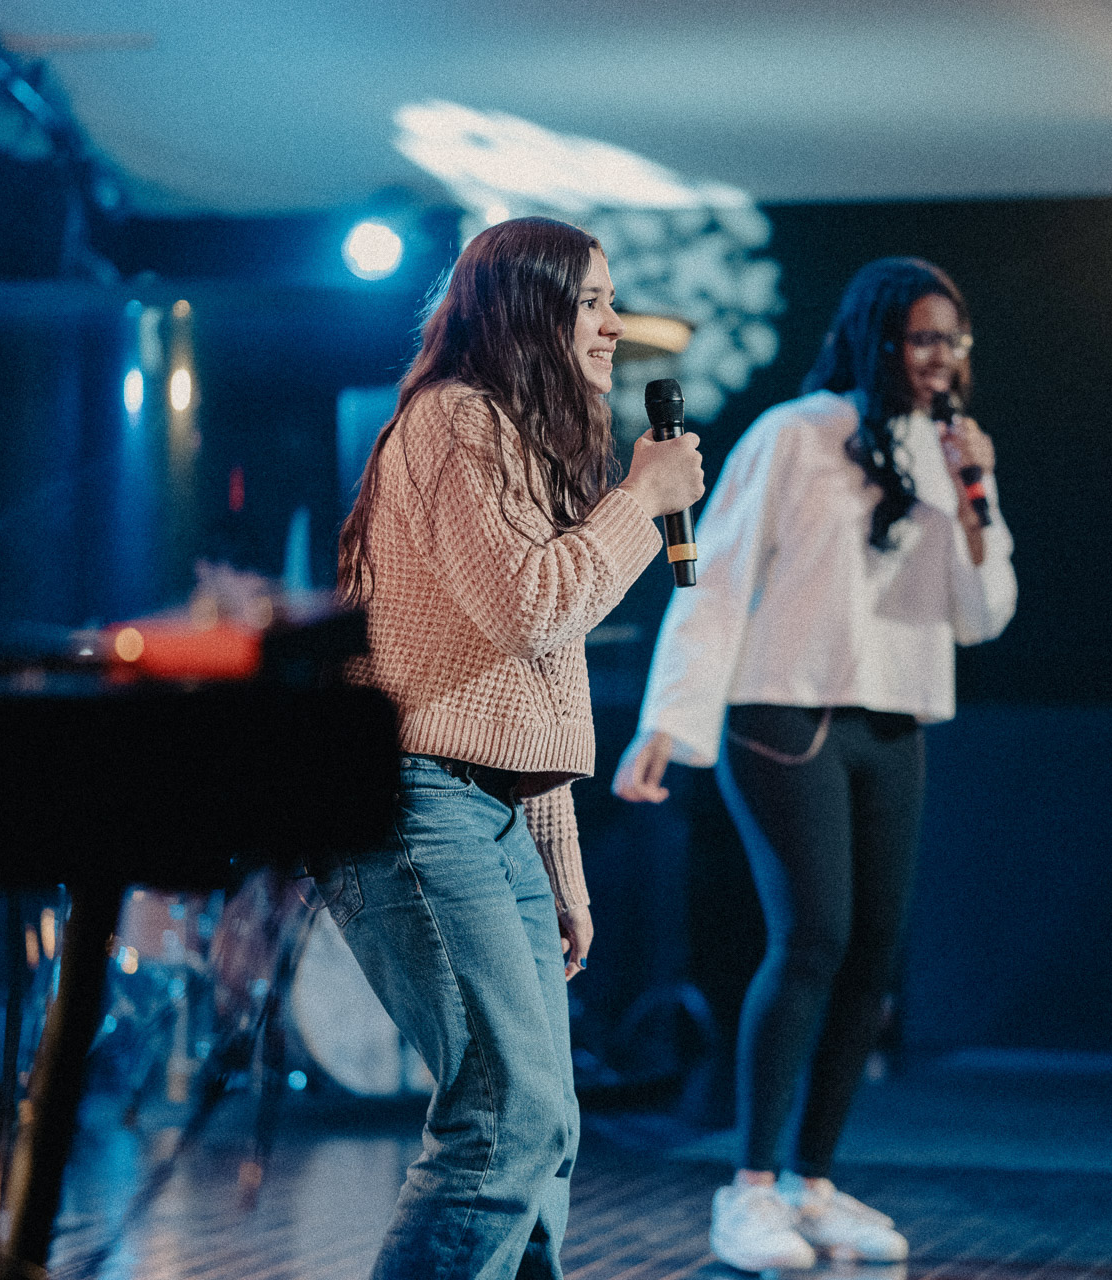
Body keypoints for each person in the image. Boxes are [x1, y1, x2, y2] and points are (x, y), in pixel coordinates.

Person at [612, 257, 1016, 1272]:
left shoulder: (948, 451)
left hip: (894, 717)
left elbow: (984, 615)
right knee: (814, 936)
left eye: (954, 341)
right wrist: (669, 718)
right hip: (783, 712)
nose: (942, 359)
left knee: (875, 949)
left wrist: (978, 500)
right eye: (924, 337)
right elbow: (714, 576)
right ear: (879, 337)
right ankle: (747, 1191)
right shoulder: (794, 434)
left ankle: (815, 1181)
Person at [330, 215, 705, 1280]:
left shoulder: (518, 440)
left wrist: (562, 869)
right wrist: (641, 500)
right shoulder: (454, 422)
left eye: (610, 300)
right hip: (413, 799)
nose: (613, 324)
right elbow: (537, 608)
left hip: (485, 806)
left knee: (547, 1131)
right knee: (507, 1118)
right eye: (590, 301)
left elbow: (530, 683)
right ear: (523, 308)